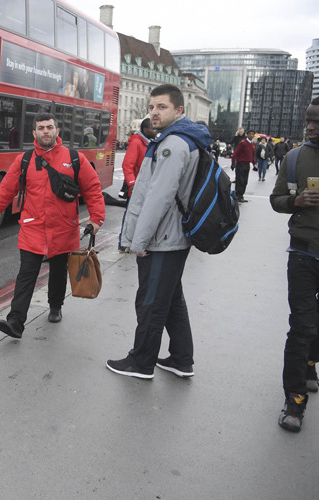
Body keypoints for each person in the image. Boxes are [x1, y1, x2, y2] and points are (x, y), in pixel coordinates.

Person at [105, 84, 210, 379]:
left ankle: (141, 361)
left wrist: (138, 241)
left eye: (161, 107)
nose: (154, 112)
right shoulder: (184, 139)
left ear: (179, 110)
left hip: (162, 238)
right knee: (171, 298)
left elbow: (158, 198)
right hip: (174, 236)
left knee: (150, 301)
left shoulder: (172, 145)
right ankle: (180, 357)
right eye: (151, 106)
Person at [0, 112, 105, 338]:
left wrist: (96, 218)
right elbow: (6, 189)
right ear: (34, 133)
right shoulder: (24, 160)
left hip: (63, 228)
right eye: (41, 128)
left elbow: (92, 188)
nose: (46, 131)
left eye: (49, 127)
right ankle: (16, 321)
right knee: (26, 275)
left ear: (57, 131)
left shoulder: (74, 157)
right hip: (33, 229)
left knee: (58, 272)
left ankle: (55, 305)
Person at [269, 96, 319, 432]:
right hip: (302, 252)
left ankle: (310, 365)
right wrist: (296, 200)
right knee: (302, 325)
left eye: (317, 121)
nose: (311, 125)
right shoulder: (295, 157)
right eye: (309, 120)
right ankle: (294, 400)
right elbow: (276, 200)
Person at [120, 118, 157, 199]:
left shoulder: (148, 143)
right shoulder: (136, 143)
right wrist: (132, 184)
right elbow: (127, 165)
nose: (155, 130)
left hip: (144, 188)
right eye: (153, 128)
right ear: (145, 130)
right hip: (137, 190)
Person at [232, 130, 256, 202]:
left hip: (247, 164)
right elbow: (236, 153)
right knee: (240, 180)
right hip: (240, 164)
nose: (251, 135)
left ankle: (241, 195)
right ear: (246, 135)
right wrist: (233, 162)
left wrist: (254, 164)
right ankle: (238, 195)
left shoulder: (253, 144)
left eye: (252, 134)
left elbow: (252, 154)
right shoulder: (243, 143)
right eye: (250, 134)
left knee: (245, 181)